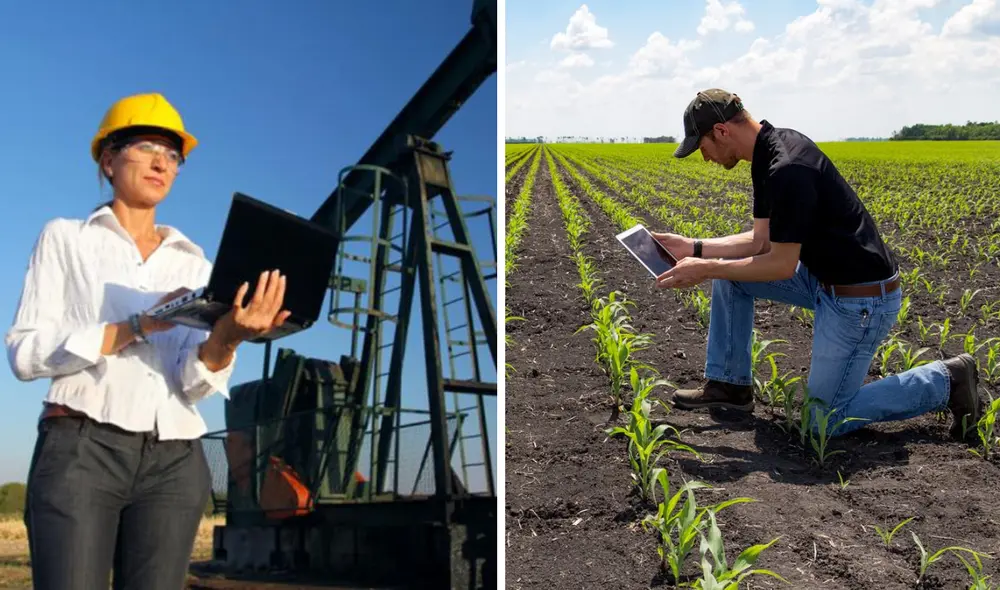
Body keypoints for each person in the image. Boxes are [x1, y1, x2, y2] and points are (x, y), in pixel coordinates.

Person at [5, 92, 292, 590]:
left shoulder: (196, 264)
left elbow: (193, 380)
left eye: (173, 154)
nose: (163, 161)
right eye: (146, 145)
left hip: (175, 461)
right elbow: (25, 354)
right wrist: (134, 327)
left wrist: (228, 335)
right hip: (81, 448)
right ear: (109, 158)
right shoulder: (65, 238)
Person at [653, 88, 979, 441]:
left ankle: (946, 380)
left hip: (861, 301)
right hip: (823, 279)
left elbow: (779, 265)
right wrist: (694, 247)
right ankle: (730, 387)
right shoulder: (766, 154)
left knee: (824, 420)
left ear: (721, 131)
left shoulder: (788, 167)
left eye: (702, 147)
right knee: (732, 280)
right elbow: (761, 241)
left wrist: (707, 267)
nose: (705, 158)